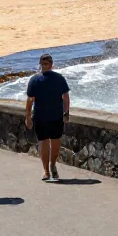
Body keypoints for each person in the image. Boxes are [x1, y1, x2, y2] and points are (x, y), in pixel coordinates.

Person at [24, 53, 70, 182]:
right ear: (40, 65)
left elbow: (65, 97)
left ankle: (53, 164)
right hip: (40, 117)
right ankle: (46, 171)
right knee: (43, 143)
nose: (44, 66)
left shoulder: (59, 79)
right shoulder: (34, 80)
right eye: (43, 64)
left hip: (56, 117)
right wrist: (27, 116)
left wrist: (66, 113)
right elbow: (30, 99)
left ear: (51, 65)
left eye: (46, 64)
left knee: (55, 144)